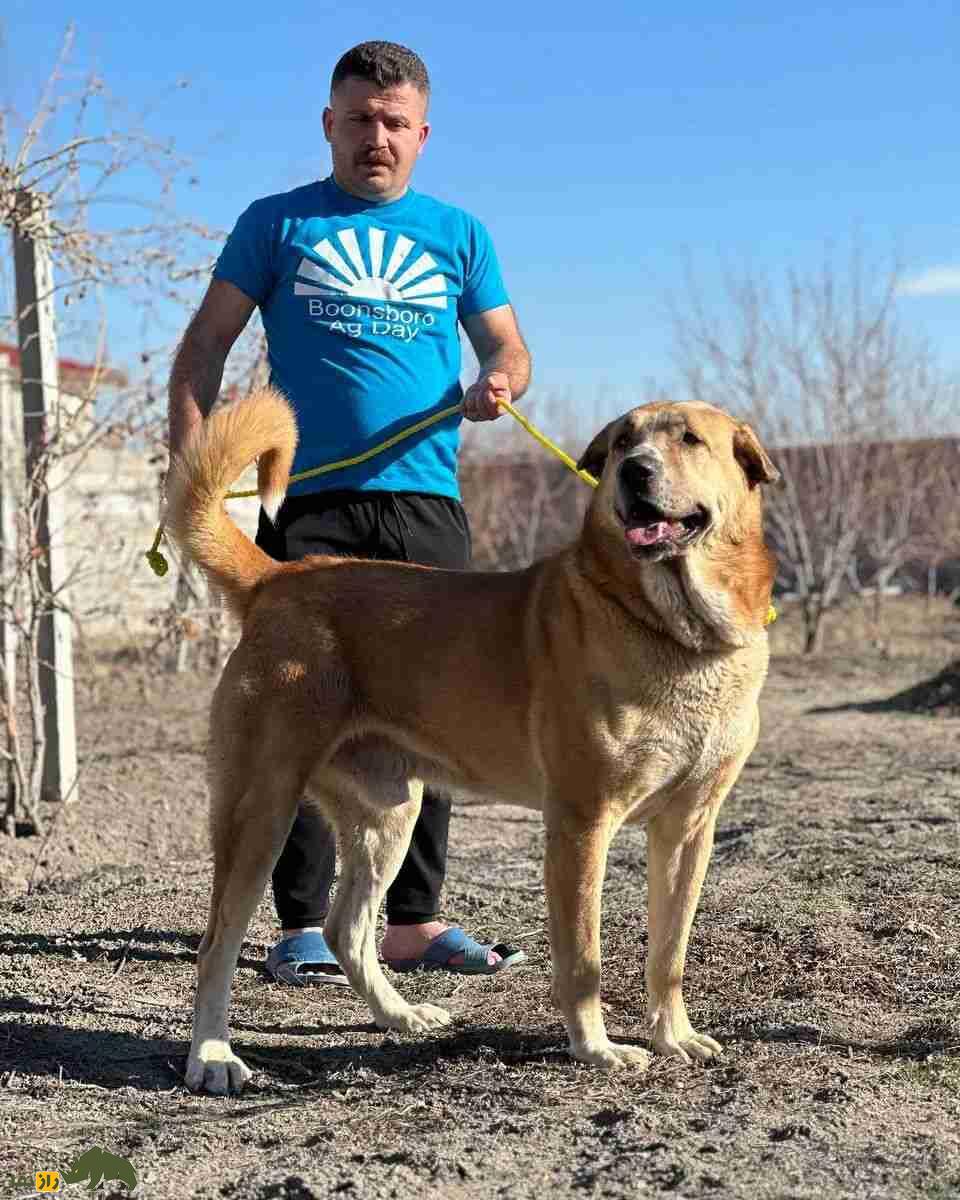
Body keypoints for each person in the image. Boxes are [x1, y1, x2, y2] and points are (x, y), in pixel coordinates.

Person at [167, 41, 532, 985]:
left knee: (437, 707)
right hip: (310, 504)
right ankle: (301, 924)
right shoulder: (275, 223)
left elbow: (508, 346)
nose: (378, 137)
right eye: (361, 118)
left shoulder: (459, 233)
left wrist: (500, 379)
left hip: (425, 503)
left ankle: (410, 921)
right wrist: (195, 459)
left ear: (421, 134)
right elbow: (205, 344)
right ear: (330, 123)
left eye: (395, 122)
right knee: (300, 708)